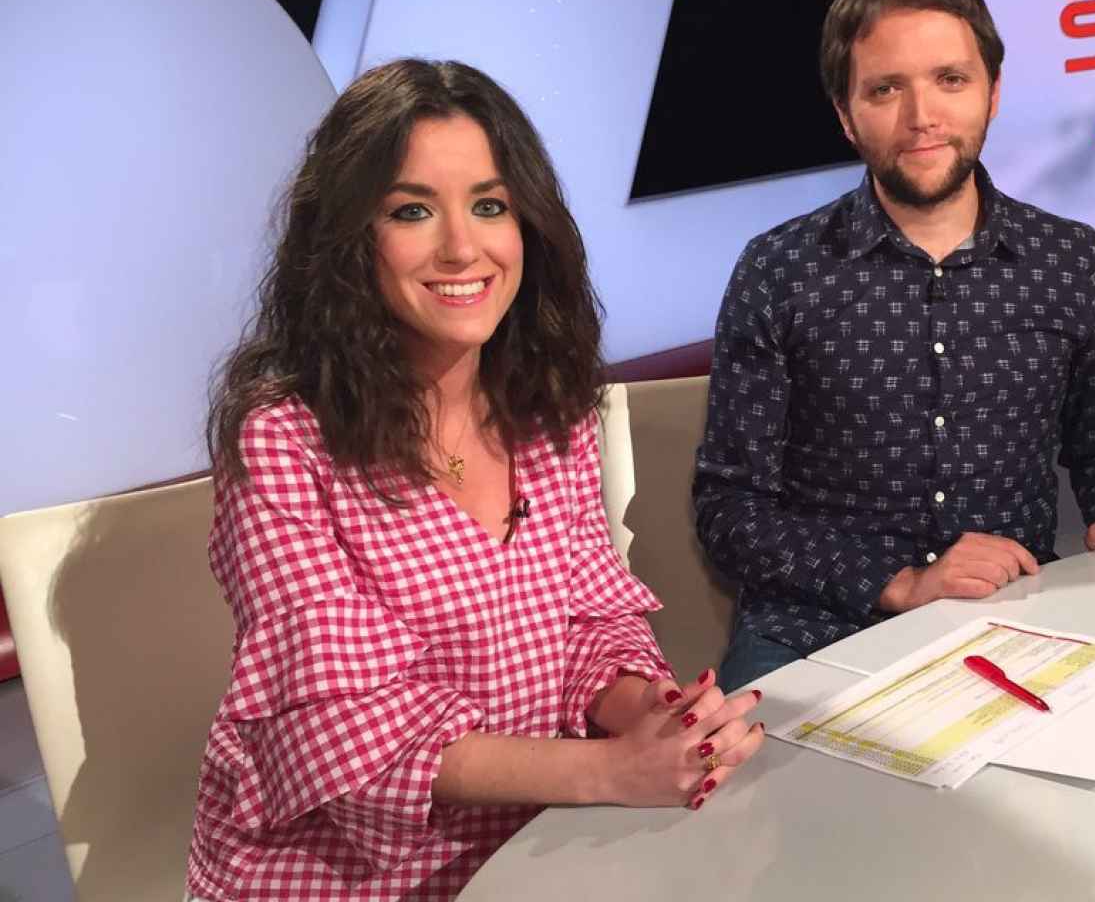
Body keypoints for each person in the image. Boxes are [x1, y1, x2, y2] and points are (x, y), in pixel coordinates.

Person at [189, 60, 762, 902]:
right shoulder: (284, 440)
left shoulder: (551, 411)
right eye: (413, 210)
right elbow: (346, 732)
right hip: (341, 879)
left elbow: (583, 623)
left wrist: (641, 707)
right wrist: (609, 770)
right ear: (348, 239)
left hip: (539, 844)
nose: (463, 247)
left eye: (489, 205)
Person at [693, 0, 1095, 690]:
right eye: (886, 88)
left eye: (950, 80)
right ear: (844, 112)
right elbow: (729, 510)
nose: (921, 115)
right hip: (814, 629)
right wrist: (902, 582)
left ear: (992, 90)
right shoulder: (780, 269)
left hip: (1015, 615)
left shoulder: (1068, 258)